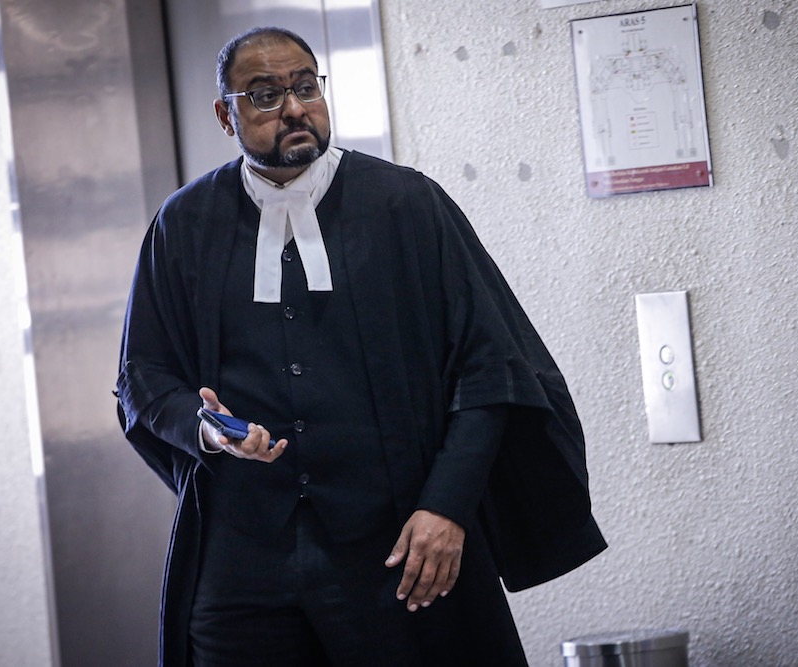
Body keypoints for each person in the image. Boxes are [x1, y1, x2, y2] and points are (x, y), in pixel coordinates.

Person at [116, 25, 606, 667]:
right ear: (224, 115)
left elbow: (492, 369)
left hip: (397, 544)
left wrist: (447, 506)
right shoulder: (183, 224)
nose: (293, 109)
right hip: (242, 558)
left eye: (304, 87)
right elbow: (143, 378)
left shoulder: (406, 205)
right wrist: (207, 429)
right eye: (264, 95)